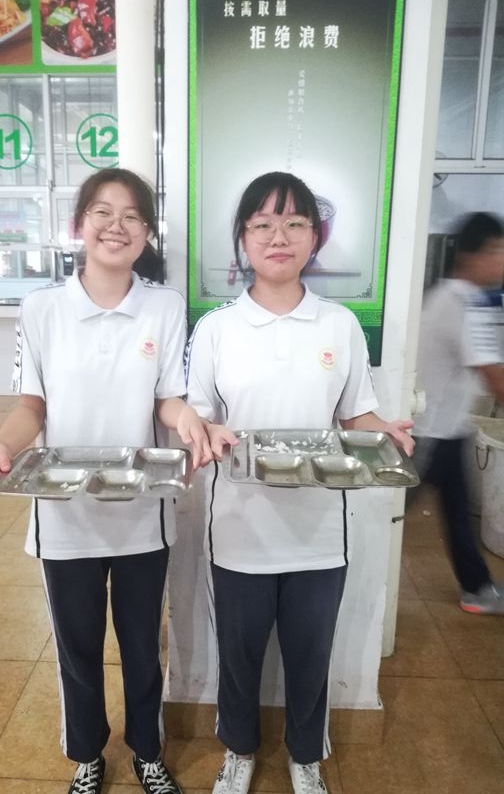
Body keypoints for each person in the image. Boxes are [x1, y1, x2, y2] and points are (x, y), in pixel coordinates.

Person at [0, 168, 212, 794]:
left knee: (142, 647)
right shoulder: (41, 308)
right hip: (66, 516)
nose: (117, 225)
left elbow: (168, 397)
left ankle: (148, 753)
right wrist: (5, 443)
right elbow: (32, 406)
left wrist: (186, 418)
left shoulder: (164, 306)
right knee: (77, 648)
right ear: (78, 224)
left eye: (132, 215)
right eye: (103, 212)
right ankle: (87, 755)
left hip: (143, 515)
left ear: (147, 232)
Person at [185, 171, 414, 794]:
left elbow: (355, 415)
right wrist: (203, 433)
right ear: (243, 238)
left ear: (315, 237)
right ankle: (238, 751)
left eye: (294, 223)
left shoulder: (338, 325)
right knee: (238, 656)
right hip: (239, 529)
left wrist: (385, 430)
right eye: (262, 224)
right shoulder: (216, 328)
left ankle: (306, 756)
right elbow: (197, 415)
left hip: (319, 534)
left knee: (312, 655)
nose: (278, 237)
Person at [413, 211, 504, 615]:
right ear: (472, 255)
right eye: (497, 252)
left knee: (457, 512)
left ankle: (477, 588)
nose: (501, 262)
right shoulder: (462, 303)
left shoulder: (449, 297)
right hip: (430, 434)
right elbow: (493, 376)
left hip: (446, 429)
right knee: (388, 513)